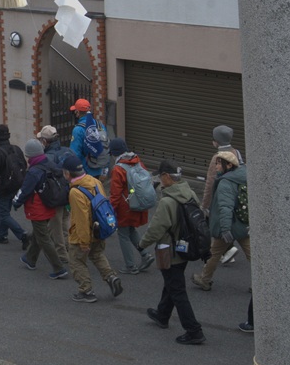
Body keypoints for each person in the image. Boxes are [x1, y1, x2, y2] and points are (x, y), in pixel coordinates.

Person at [138, 160, 206, 345]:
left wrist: (142, 244)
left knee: (177, 290)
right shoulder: (190, 194)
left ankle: (194, 330)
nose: (160, 180)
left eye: (161, 177)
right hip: (186, 248)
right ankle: (162, 314)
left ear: (167, 176)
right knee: (172, 283)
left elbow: (156, 228)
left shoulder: (167, 201)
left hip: (169, 250)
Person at [64, 154, 122, 303]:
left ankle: (86, 291)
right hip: (99, 228)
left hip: (83, 234)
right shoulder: (94, 181)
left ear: (67, 173)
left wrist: (84, 242)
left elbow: (81, 219)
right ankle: (111, 276)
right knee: (97, 254)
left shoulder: (75, 192)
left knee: (77, 261)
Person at [192, 151, 250, 291]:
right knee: (253, 256)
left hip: (228, 226)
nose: (216, 166)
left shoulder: (226, 182)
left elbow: (225, 207)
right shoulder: (242, 176)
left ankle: (204, 279)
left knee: (214, 254)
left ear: (229, 165)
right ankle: (263, 284)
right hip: (242, 224)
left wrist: (225, 229)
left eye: (219, 163)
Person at [13, 139, 68, 279]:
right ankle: (30, 258)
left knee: (44, 237)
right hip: (50, 203)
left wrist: (16, 202)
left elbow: (25, 190)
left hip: (37, 208)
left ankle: (59, 268)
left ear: (30, 155)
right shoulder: (50, 164)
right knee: (40, 233)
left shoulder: (34, 171)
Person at [109, 137, 155, 274]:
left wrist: (110, 210)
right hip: (138, 202)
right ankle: (145, 254)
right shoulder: (137, 161)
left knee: (123, 234)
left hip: (125, 207)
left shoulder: (118, 169)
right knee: (131, 230)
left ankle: (130, 266)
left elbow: (115, 194)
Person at [201, 125, 243, 264]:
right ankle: (226, 251)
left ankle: (226, 249)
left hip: (220, 195)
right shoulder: (236, 152)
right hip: (235, 194)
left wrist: (205, 205)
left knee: (215, 223)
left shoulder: (217, 158)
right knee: (229, 220)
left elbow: (210, 182)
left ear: (217, 141)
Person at [0, 124, 29, 249]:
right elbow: (24, 165)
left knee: (4, 214)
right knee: (5, 212)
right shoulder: (16, 149)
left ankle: (22, 234)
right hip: (17, 185)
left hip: (3, 188)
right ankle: (2, 235)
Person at [37, 125, 72, 266]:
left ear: (45, 141)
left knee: (55, 226)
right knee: (65, 221)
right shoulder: (67, 151)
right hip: (69, 192)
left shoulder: (47, 157)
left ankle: (62, 254)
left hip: (56, 195)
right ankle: (69, 248)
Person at [69, 98, 109, 179]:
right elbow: (105, 145)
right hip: (101, 168)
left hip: (87, 172)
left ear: (77, 112)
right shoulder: (99, 125)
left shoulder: (78, 130)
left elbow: (75, 154)